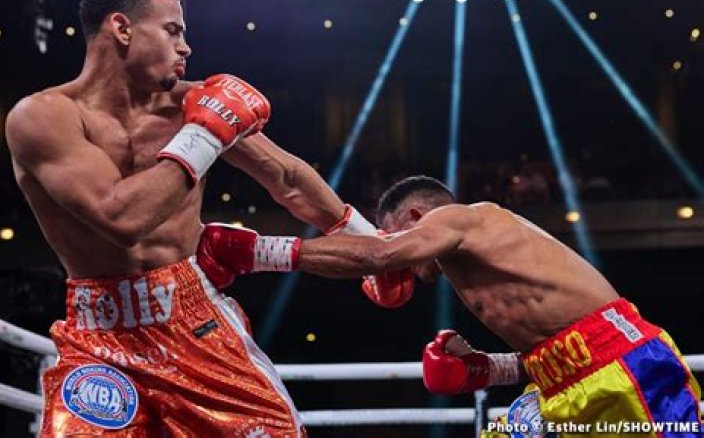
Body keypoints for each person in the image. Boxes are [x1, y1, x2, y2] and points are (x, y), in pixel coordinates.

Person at [5, 0, 404, 436]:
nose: (186, 48)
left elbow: (286, 178)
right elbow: (120, 218)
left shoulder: (192, 104)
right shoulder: (42, 117)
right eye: (172, 31)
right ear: (122, 28)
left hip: (194, 321)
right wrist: (205, 136)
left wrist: (369, 243)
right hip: (99, 338)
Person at [202, 175, 702, 435]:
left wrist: (259, 252)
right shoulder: (468, 263)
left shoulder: (458, 219)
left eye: (395, 232)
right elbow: (560, 339)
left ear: (415, 216)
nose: (403, 264)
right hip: (563, 384)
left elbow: (378, 255)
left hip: (629, 368)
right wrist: (488, 369)